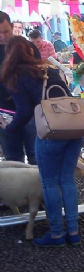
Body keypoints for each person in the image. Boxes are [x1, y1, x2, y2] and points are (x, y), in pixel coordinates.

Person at [0, 36, 84, 248]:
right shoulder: (48, 69)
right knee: (67, 181)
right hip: (74, 128)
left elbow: (24, 111)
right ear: (31, 51)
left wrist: (8, 127)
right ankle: (73, 232)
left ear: (9, 55)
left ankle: (56, 234)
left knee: (49, 183)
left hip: (51, 132)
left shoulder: (16, 76)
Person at [0, 11, 39, 164]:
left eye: (5, 31)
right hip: (4, 111)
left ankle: (39, 181)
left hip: (30, 111)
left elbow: (38, 74)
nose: (2, 36)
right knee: (12, 159)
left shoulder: (28, 47)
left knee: (36, 155)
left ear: (12, 26)